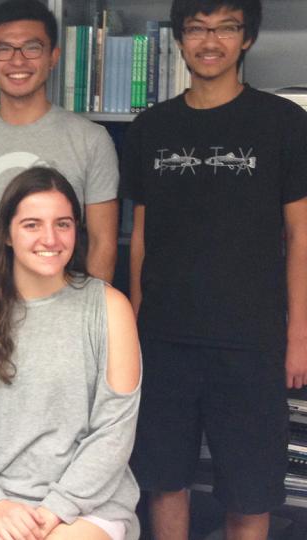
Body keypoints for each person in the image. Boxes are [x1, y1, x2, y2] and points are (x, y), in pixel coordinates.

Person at [121, 0, 307, 537]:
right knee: (165, 480)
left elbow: (300, 235)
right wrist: (134, 321)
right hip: (164, 340)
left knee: (250, 491)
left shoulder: (284, 122)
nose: (210, 41)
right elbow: (142, 235)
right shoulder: (151, 127)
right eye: (197, 28)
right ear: (179, 38)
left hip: (251, 341)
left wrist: (298, 334)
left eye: (226, 28)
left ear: (246, 38)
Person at [0, 167, 141, 540]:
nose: (50, 238)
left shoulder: (109, 308)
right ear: (7, 234)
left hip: (87, 504)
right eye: (32, 224)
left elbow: (113, 432)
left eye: (63, 224)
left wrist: (54, 510)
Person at [0, 0, 119, 311]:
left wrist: (90, 318)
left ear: (53, 57)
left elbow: (103, 242)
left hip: (64, 315)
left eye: (32, 48)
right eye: (3, 50)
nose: (17, 61)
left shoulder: (92, 139)